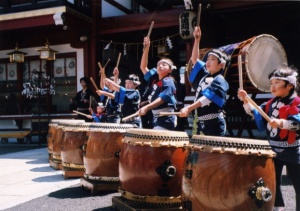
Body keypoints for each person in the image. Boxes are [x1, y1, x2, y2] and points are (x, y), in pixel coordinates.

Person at [237, 64, 300, 211]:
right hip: (274, 150)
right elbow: (256, 114)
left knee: (298, 183)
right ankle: (278, 207)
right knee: (274, 181)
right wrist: (246, 101)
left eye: (277, 82)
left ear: (289, 85)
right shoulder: (271, 104)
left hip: (293, 151)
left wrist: (282, 123)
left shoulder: (296, 103)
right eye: (271, 83)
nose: (272, 86)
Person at [179, 26, 229, 136]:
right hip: (200, 121)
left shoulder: (220, 80)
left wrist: (189, 108)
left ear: (221, 65)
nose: (208, 61)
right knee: (199, 151)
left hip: (214, 123)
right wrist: (197, 40)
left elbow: (207, 98)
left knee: (211, 152)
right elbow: (195, 60)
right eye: (207, 59)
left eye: (213, 59)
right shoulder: (204, 75)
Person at [139, 36, 177, 130]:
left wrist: (147, 107)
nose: (160, 66)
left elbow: (162, 99)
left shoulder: (168, 81)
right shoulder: (154, 79)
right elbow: (143, 67)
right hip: (156, 117)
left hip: (166, 118)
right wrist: (147, 48)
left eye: (164, 65)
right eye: (158, 64)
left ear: (170, 70)